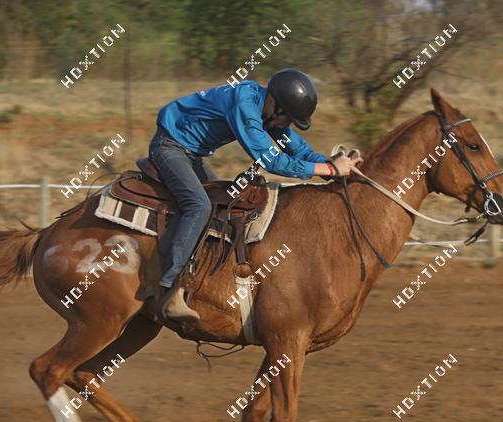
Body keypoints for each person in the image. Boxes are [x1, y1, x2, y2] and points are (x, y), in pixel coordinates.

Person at [149, 68, 361, 322]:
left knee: (223, 207)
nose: (287, 125)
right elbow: (271, 161)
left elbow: (297, 148)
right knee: (199, 206)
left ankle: (201, 281)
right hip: (169, 147)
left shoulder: (268, 109)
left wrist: (330, 165)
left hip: (192, 155)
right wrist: (328, 170)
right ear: (276, 106)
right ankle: (170, 289)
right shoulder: (245, 105)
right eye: (288, 118)